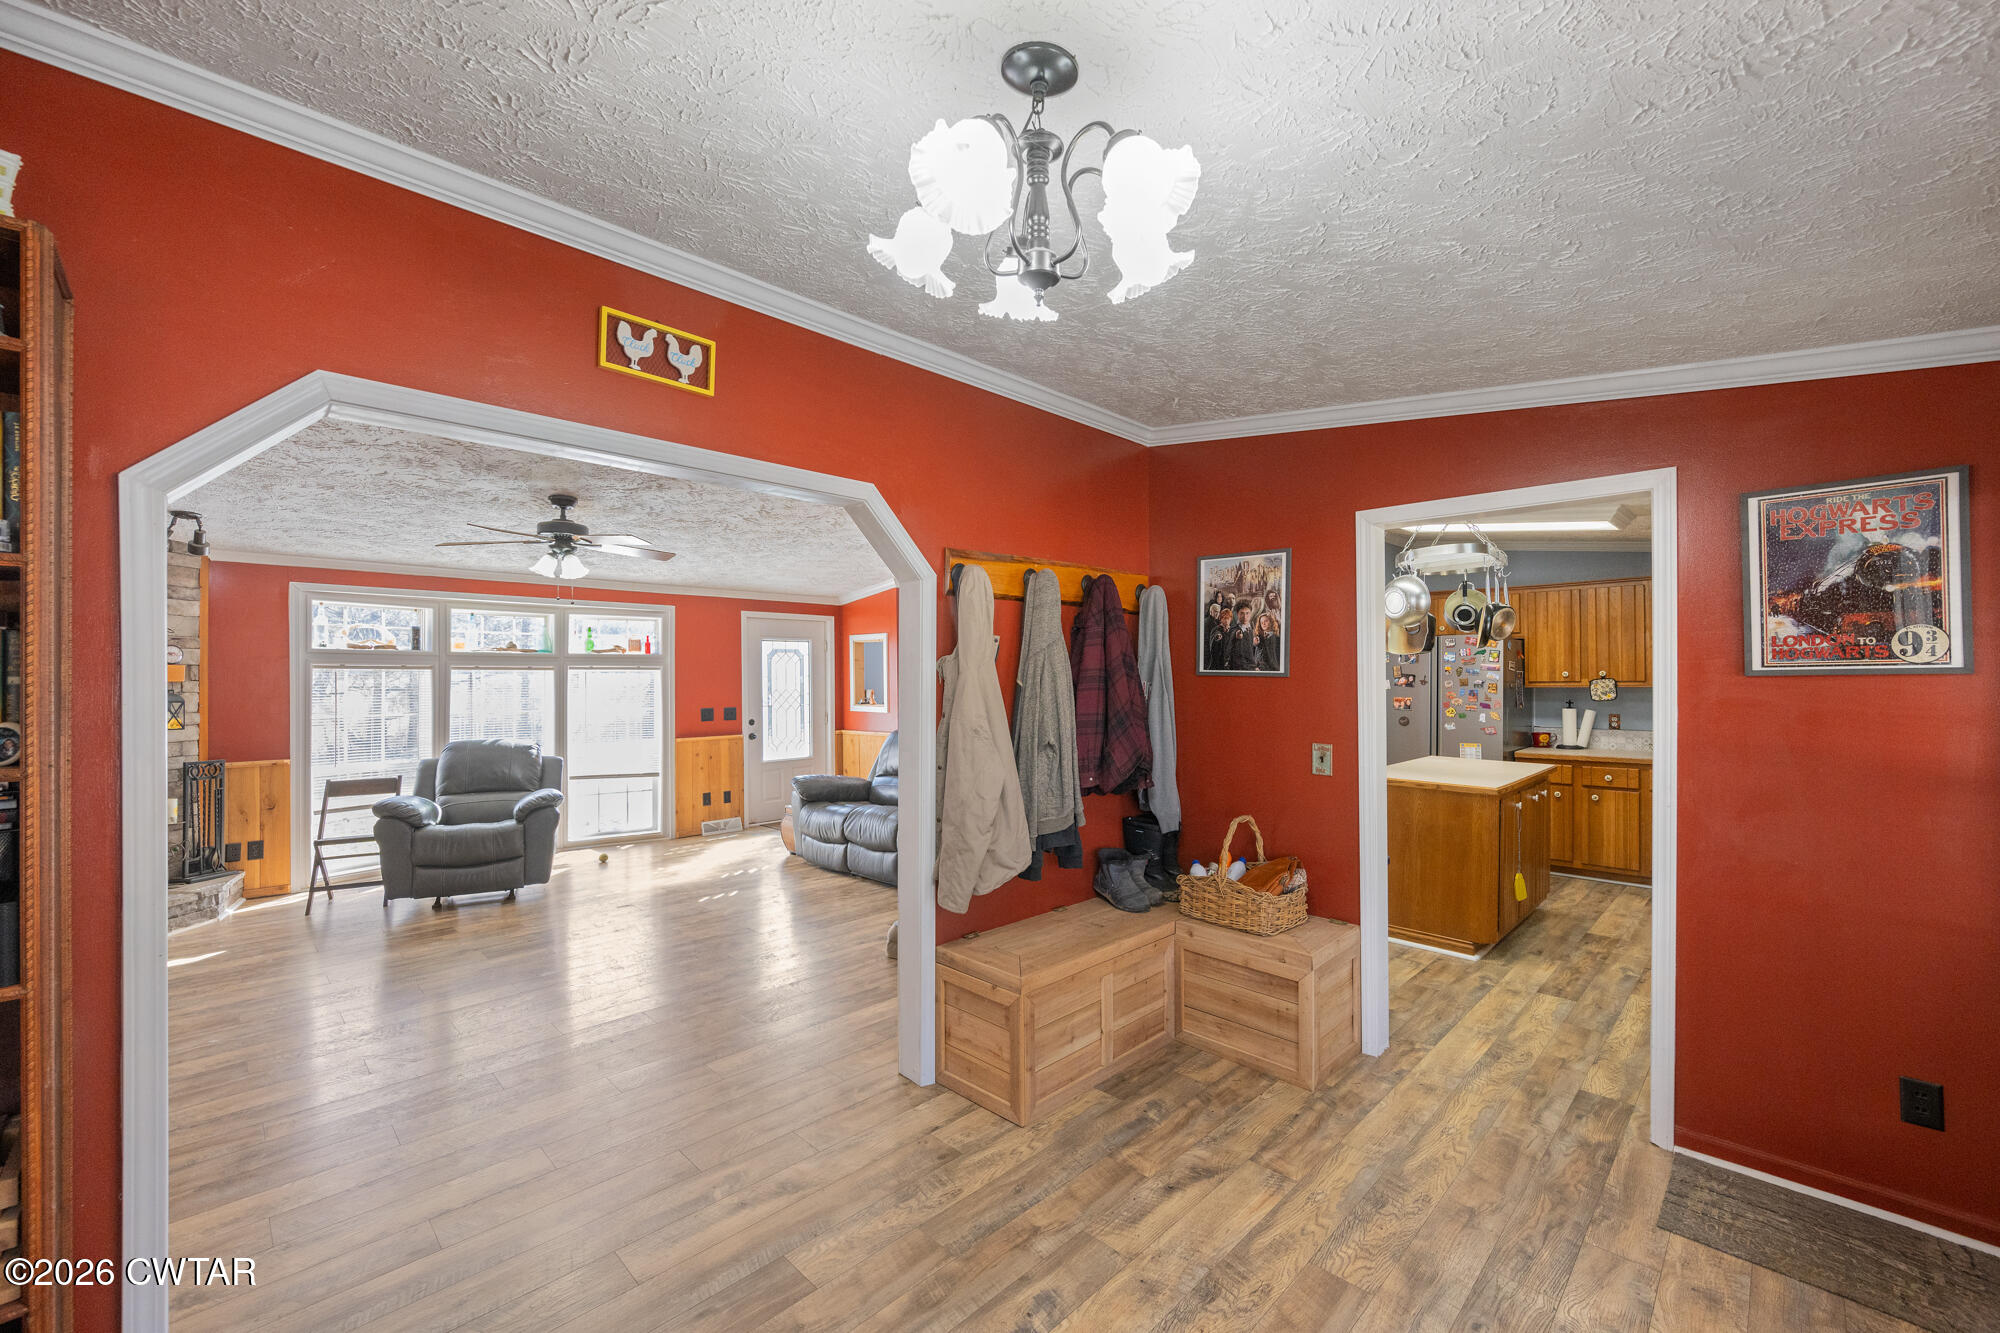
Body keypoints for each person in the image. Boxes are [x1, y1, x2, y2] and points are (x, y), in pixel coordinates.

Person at [1224, 600, 1262, 671]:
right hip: (1238, 668)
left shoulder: (1251, 630)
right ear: (1237, 614)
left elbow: (1249, 652)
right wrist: (1236, 637)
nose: (1245, 616)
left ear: (1250, 614)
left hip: (1250, 666)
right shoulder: (1234, 630)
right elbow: (1230, 646)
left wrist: (1254, 644)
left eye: (1247, 613)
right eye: (1242, 613)